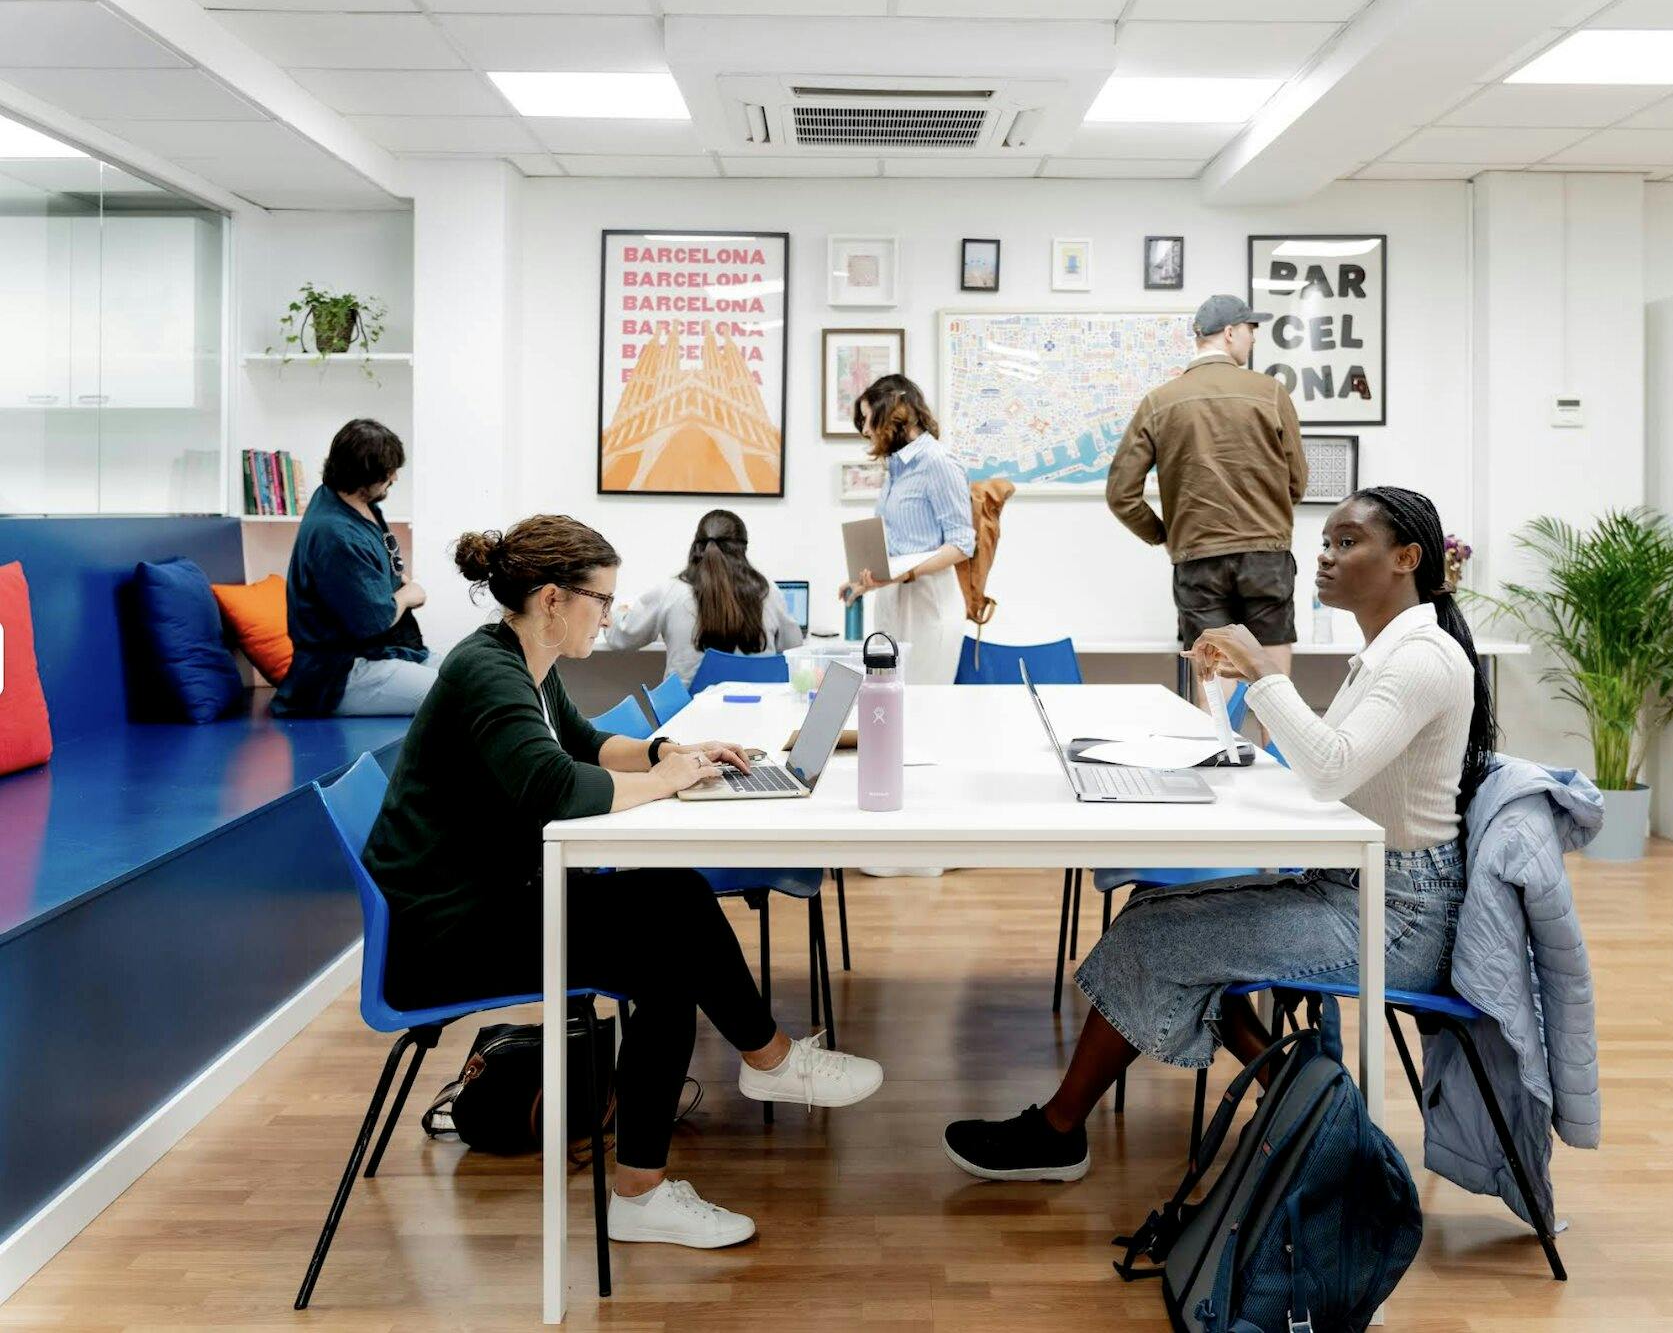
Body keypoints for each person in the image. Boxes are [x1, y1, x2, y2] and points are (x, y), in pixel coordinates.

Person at [942, 486, 1492, 1182]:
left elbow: (1328, 770)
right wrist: (1234, 693)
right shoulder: (1391, 653)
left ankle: (1062, 1131)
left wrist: (1265, 671)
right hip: (1365, 890)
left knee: (1156, 935)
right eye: (1324, 542)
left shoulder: (1423, 659)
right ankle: (1297, 1105)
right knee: (1152, 909)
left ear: (1406, 559)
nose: (1323, 557)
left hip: (1400, 920)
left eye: (1347, 543)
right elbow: (1336, 763)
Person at [363, 513, 883, 1247]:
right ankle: (659, 1178)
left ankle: (766, 1064)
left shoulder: (518, 663)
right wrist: (673, 778)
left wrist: (672, 749)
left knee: (673, 893)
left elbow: (583, 743)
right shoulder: (486, 672)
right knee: (664, 968)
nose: (610, 616)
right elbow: (557, 789)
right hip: (447, 936)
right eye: (600, 601)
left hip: (488, 896)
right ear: (552, 600)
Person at [1104, 294, 1307, 705]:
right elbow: (1297, 482)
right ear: (1230, 333)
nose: (1252, 339)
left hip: (1197, 557)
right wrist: (1266, 515)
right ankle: (1282, 764)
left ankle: (1220, 762)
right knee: (1272, 676)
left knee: (1214, 677)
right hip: (1266, 555)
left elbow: (1120, 493)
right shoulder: (1269, 392)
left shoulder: (1160, 402)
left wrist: (1165, 533)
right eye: (1251, 330)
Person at [274, 418, 436, 718]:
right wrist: (408, 595)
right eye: (388, 473)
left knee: (471, 676)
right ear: (364, 477)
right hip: (339, 673)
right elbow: (374, 619)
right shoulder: (335, 533)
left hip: (377, 653)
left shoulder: (348, 500)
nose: (394, 479)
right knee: (460, 696)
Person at [838, 373, 975, 686]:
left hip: (929, 606)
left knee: (923, 710)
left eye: (868, 418)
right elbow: (900, 546)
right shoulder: (895, 469)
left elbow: (962, 543)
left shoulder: (938, 462)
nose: (864, 429)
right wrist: (866, 581)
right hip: (893, 602)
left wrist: (907, 573)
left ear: (891, 415)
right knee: (890, 704)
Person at [605, 509, 804, 687]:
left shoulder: (670, 591)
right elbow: (793, 645)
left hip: (685, 718)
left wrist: (615, 613)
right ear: (742, 548)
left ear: (696, 546)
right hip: (756, 713)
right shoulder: (766, 590)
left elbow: (621, 639)